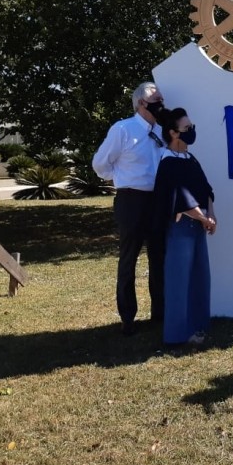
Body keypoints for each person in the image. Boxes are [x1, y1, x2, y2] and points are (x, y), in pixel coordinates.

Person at [93, 82, 166, 336]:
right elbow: (100, 164)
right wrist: (122, 178)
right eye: (155, 99)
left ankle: (160, 313)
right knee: (129, 259)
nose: (160, 103)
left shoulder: (162, 131)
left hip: (157, 201)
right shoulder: (123, 129)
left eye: (161, 98)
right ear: (140, 104)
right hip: (131, 200)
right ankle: (127, 316)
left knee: (159, 258)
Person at [152, 107, 216, 345]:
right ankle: (177, 334)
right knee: (179, 280)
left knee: (200, 277)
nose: (192, 132)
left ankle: (198, 327)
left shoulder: (190, 159)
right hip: (180, 230)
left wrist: (211, 214)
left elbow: (205, 189)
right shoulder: (167, 162)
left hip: (197, 227)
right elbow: (180, 198)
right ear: (173, 133)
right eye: (187, 128)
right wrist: (204, 218)